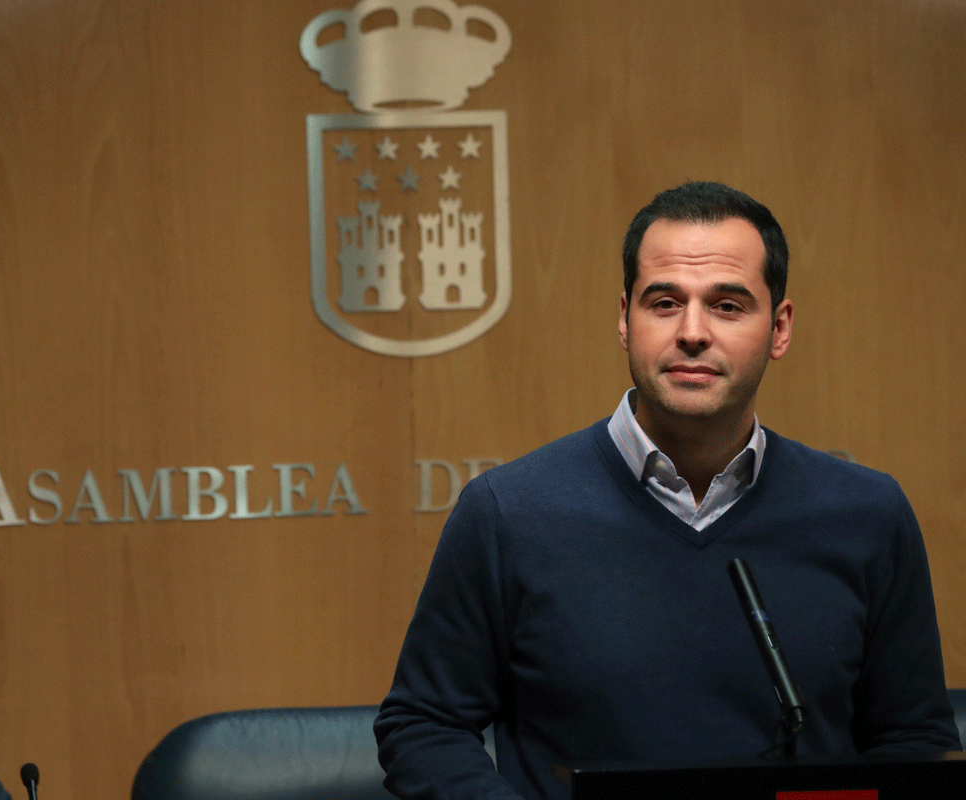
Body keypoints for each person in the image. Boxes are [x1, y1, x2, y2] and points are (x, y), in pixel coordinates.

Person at [374, 182, 962, 800]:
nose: (692, 332)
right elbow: (424, 727)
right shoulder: (507, 513)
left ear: (780, 328)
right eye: (663, 303)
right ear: (625, 320)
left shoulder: (867, 515)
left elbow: (914, 743)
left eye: (728, 306)